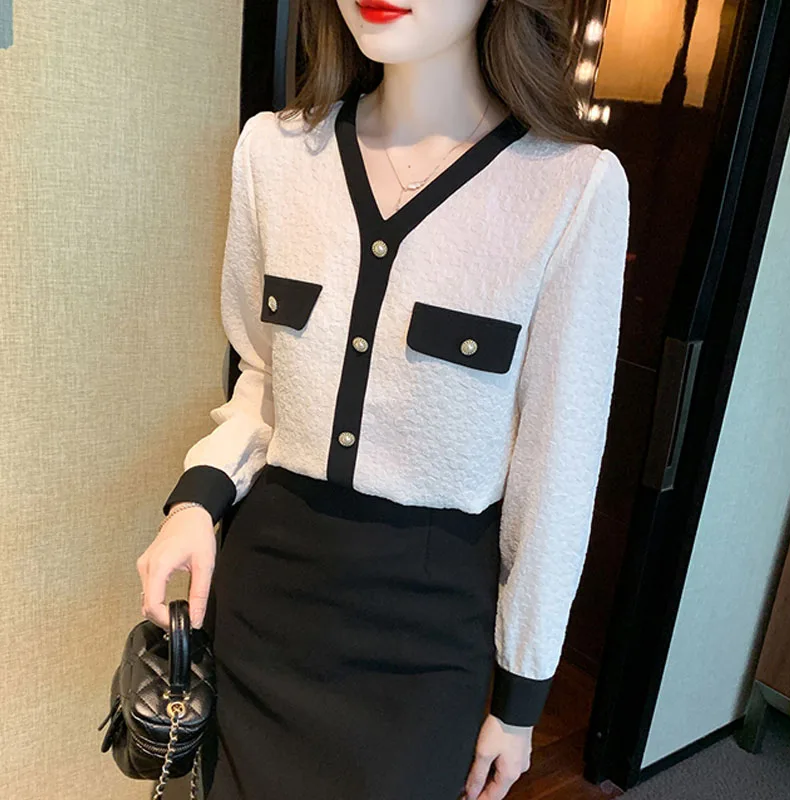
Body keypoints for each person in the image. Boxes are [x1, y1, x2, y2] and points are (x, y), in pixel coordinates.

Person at [136, 0, 630, 798]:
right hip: (265, 599)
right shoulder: (273, 154)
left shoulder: (570, 189)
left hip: (425, 640)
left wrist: (520, 699)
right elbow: (263, 379)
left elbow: (558, 472)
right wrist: (196, 501)